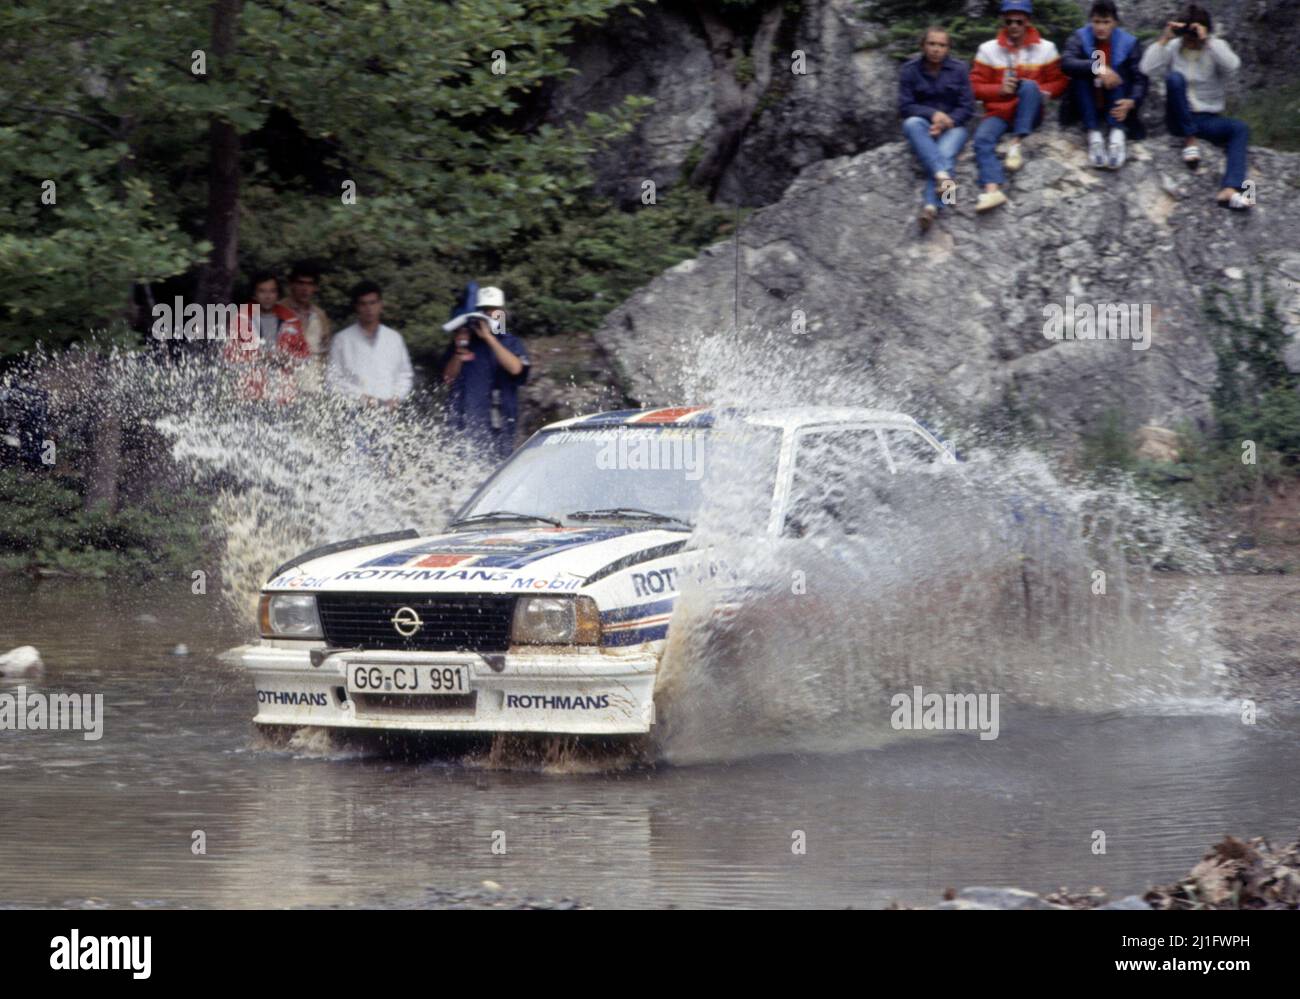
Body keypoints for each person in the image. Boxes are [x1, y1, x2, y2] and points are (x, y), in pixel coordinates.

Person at [1139, 4, 1251, 209]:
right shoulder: (1174, 48)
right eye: (1186, 37)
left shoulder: (1215, 47)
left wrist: (1207, 41)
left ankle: (1230, 188)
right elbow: (1146, 68)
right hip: (1178, 118)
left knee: (1240, 128)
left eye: (1192, 37)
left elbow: (1233, 66)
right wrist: (1165, 38)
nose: (1189, 42)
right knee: (1174, 78)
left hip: (1206, 119)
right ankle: (1189, 140)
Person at [970, 0, 1069, 213]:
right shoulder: (987, 50)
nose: (1013, 25)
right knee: (981, 139)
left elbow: (1060, 82)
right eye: (1009, 21)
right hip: (1000, 111)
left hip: (1030, 111)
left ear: (1028, 22)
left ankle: (1016, 143)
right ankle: (992, 189)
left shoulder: (1046, 48)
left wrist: (1038, 93)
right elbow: (974, 87)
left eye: (1019, 21)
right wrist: (1000, 90)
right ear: (1003, 21)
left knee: (1029, 86)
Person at [898, 26, 976, 231]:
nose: (936, 49)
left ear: (948, 48)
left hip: (954, 126)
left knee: (944, 152)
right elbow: (905, 106)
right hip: (924, 124)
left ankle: (931, 206)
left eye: (942, 45)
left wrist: (947, 121)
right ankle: (944, 180)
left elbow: (968, 107)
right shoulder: (910, 69)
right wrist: (932, 116)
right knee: (911, 124)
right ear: (923, 45)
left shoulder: (959, 69)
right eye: (932, 44)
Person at [440, 284, 530, 461]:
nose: (489, 315)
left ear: (502, 312)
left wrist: (489, 338)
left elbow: (516, 368)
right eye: (484, 310)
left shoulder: (510, 342)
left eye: (494, 310)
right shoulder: (464, 341)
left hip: (500, 424)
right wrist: (460, 348)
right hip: (465, 422)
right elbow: (448, 378)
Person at [1060, 1, 1148, 169]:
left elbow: (1140, 78)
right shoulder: (1080, 36)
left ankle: (1117, 134)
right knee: (1080, 75)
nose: (1100, 27)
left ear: (1115, 22)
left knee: (1117, 74)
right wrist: (1097, 67)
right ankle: (1094, 135)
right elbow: (1066, 63)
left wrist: (1133, 101)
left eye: (1106, 22)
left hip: (1117, 97)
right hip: (1088, 99)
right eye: (1096, 22)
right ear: (1090, 21)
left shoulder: (1129, 42)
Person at [223, 272, 310, 403]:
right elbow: (229, 358)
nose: (268, 296)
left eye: (272, 291)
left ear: (277, 295)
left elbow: (305, 357)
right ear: (254, 295)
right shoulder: (241, 320)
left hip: (283, 395)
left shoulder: (291, 319)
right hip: (249, 395)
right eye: (262, 291)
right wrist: (259, 357)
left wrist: (288, 358)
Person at [326, 281, 414, 407]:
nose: (369, 309)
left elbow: (405, 375)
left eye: (373, 303)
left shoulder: (394, 338)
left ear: (380, 304)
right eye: (363, 304)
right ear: (356, 307)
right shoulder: (342, 340)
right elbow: (332, 379)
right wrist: (359, 397)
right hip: (353, 410)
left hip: (389, 410)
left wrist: (397, 397)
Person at [281, 262, 333, 390]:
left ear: (315, 287)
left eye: (309, 284)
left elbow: (325, 352)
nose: (305, 289)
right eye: (301, 283)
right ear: (292, 284)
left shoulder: (320, 316)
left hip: (312, 385)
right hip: (282, 383)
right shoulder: (278, 311)